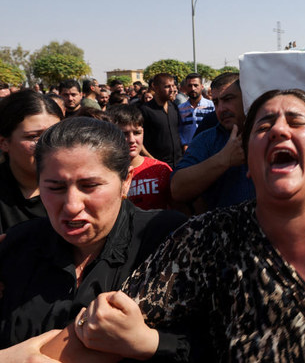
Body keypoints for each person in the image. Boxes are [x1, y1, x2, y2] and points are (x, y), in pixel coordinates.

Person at [60, 89, 305, 362]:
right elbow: (105, 323)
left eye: (296, 122)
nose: (279, 129)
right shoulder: (206, 238)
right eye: (263, 126)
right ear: (248, 162)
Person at [0, 117, 186, 357]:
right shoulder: (18, 246)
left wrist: (150, 343)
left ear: (126, 182)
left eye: (89, 186)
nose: (71, 205)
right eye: (55, 188)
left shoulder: (169, 240)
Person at [171, 73, 254, 213]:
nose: (221, 109)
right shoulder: (207, 140)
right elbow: (177, 188)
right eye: (216, 102)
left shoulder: (272, 136)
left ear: (246, 98)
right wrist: (224, 159)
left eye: (228, 99)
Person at [0, 90, 63, 233]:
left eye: (55, 135)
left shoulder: (79, 188)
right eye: (34, 137)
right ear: (4, 142)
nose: (47, 146)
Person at [106, 104, 173, 210]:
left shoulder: (161, 169)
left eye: (137, 133)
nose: (132, 140)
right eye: (125, 134)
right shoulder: (104, 172)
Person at [138, 73, 182, 168]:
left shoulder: (174, 107)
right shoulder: (145, 110)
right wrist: (152, 160)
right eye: (167, 86)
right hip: (155, 166)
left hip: (178, 164)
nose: (172, 90)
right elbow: (139, 140)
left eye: (173, 86)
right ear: (155, 88)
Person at [177, 72, 215, 149]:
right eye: (190, 86)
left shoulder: (211, 106)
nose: (193, 88)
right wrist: (184, 144)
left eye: (195, 85)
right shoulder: (180, 109)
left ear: (202, 87)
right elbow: (178, 130)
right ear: (186, 87)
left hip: (209, 148)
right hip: (188, 150)